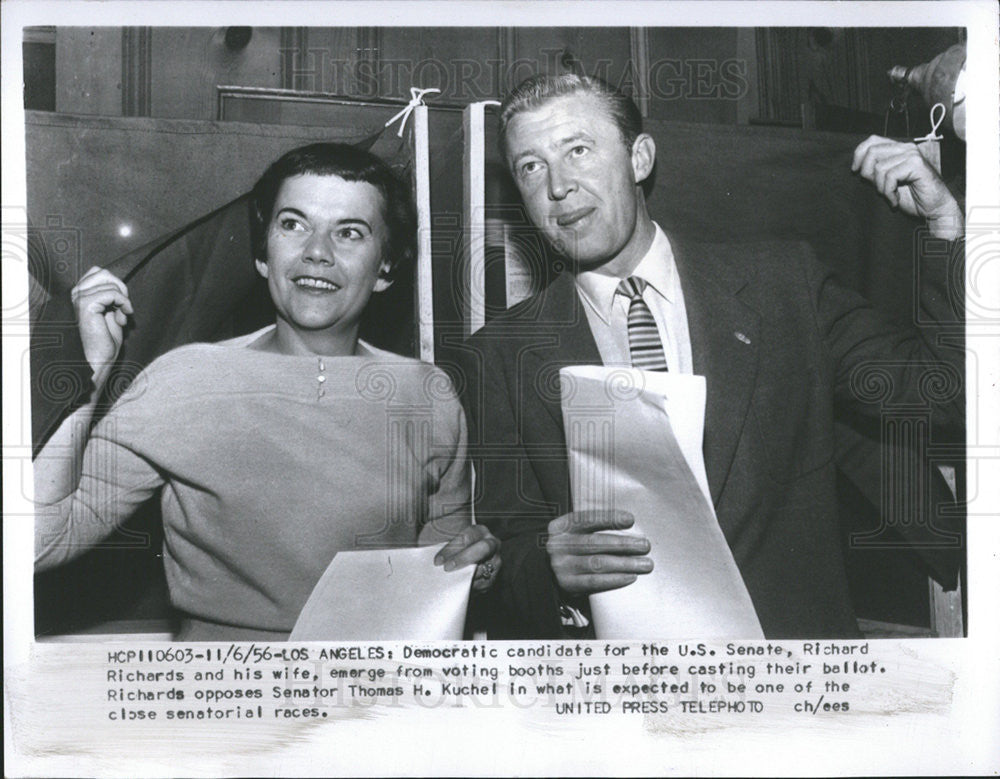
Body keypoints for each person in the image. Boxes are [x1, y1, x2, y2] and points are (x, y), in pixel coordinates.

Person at [458, 74, 965, 639]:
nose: (558, 186)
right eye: (531, 166)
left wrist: (946, 227)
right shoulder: (499, 356)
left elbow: (946, 394)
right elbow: (508, 553)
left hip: (794, 685)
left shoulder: (784, 287)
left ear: (640, 159)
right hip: (620, 699)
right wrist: (549, 565)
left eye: (578, 149)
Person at [34, 142, 501, 641]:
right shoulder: (185, 379)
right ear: (262, 254)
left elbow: (442, 571)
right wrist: (90, 378)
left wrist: (479, 566)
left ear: (386, 267)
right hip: (223, 698)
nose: (317, 252)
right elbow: (38, 543)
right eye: (293, 225)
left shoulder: (428, 394)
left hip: (373, 700)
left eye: (349, 232)